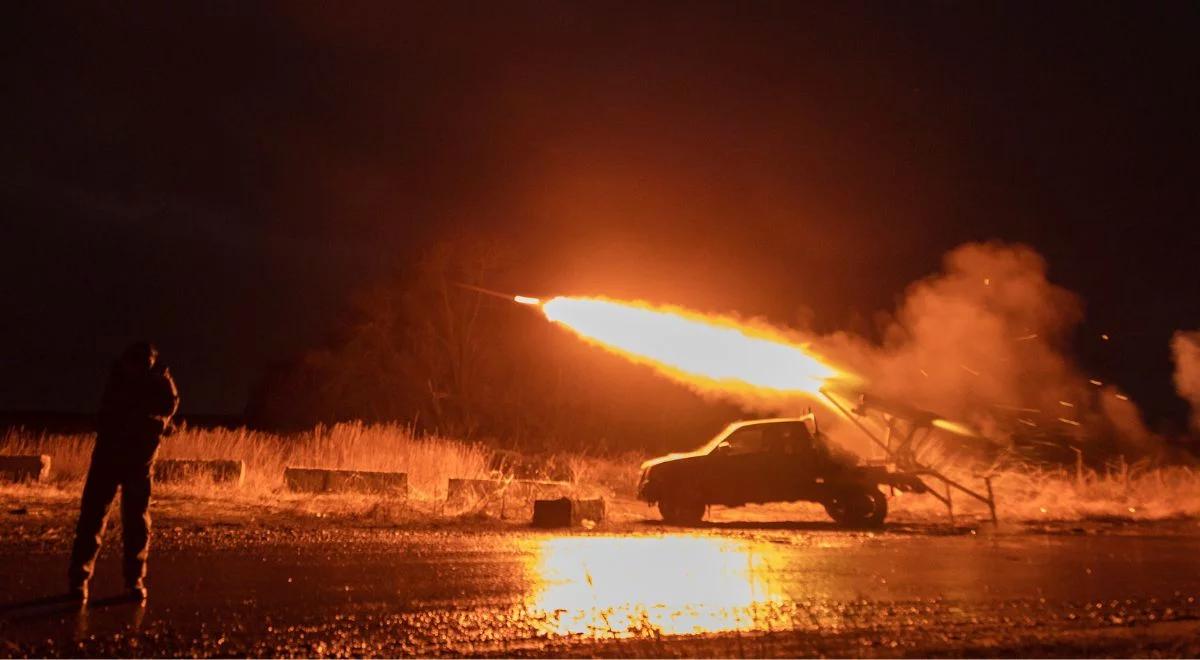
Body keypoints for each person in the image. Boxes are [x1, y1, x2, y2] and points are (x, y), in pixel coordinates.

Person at [67, 341, 179, 603]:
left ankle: (129, 580)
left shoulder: (158, 381)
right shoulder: (122, 377)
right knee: (96, 518)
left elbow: (167, 412)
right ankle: (82, 581)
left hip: (136, 459)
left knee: (132, 521)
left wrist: (152, 430)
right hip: (112, 455)